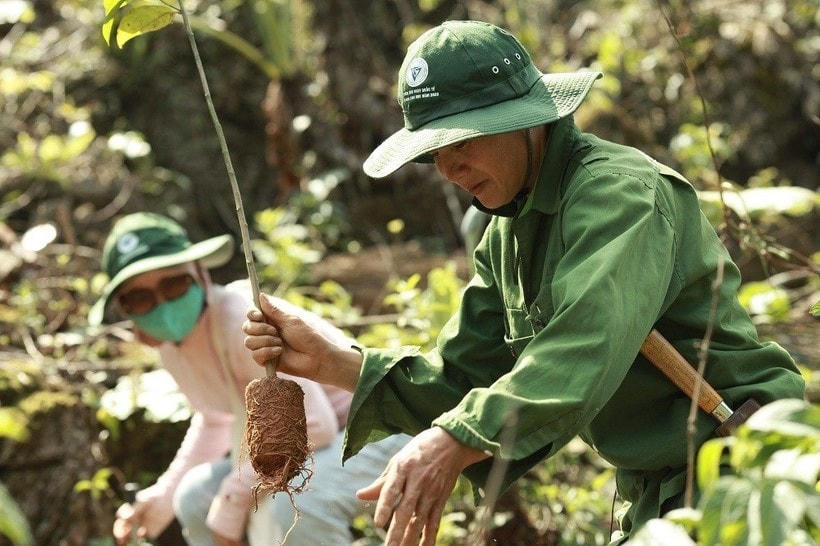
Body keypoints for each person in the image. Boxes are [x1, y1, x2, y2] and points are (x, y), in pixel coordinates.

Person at [242, 20, 805, 546]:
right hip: (655, 487)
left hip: (741, 462)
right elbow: (464, 375)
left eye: (464, 142)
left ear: (528, 119)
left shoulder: (618, 196)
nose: (449, 169)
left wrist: (456, 440)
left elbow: (586, 343)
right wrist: (335, 363)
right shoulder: (507, 233)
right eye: (434, 152)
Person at [89, 212, 408, 546]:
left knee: (290, 504)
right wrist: (159, 500)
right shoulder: (175, 348)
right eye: (140, 298)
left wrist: (232, 501)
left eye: (173, 285)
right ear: (125, 309)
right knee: (194, 496)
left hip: (377, 432)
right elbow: (214, 421)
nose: (162, 305)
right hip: (321, 446)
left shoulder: (240, 321)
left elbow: (315, 426)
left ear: (200, 273)